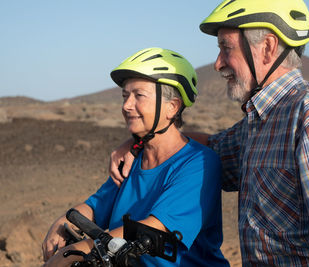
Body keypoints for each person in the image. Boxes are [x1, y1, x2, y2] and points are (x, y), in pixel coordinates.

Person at [109, 0, 309, 266]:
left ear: (267, 48)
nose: (217, 64)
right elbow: (203, 148)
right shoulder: (257, 124)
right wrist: (142, 140)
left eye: (225, 48)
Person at [42, 47, 229, 267]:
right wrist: (63, 221)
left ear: (172, 107)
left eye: (138, 95)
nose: (126, 105)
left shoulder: (199, 163)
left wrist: (74, 252)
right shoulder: (132, 161)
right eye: (125, 96)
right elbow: (95, 206)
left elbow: (151, 230)